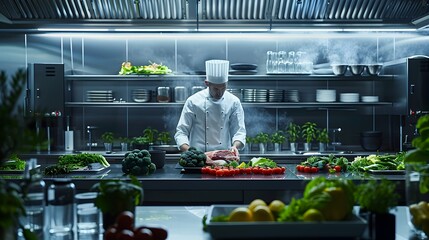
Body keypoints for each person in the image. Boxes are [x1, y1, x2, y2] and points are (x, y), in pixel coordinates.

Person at [174, 60, 246, 154]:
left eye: (223, 87)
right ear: (207, 83)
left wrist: (235, 146)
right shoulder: (193, 101)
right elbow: (181, 132)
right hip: (198, 158)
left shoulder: (233, 102)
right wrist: (191, 153)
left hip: (224, 158)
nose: (219, 93)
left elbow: (239, 131)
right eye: (216, 88)